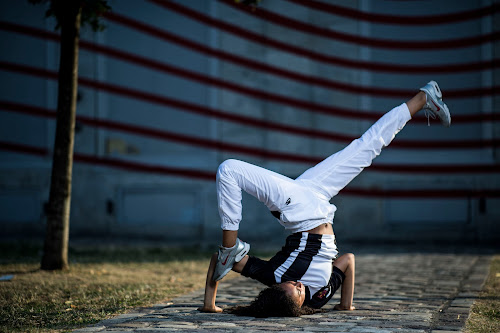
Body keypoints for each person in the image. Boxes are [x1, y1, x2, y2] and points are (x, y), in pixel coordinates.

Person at [198, 81, 450, 317]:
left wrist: (210, 303)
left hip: (299, 211)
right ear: (299, 307)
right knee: (367, 147)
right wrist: (345, 304)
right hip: (317, 198)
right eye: (298, 292)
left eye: (290, 285)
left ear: (276, 289)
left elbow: (221, 262)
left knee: (229, 169)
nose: (297, 284)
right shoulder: (319, 298)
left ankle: (229, 245)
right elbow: (347, 260)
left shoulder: (271, 275)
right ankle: (422, 98)